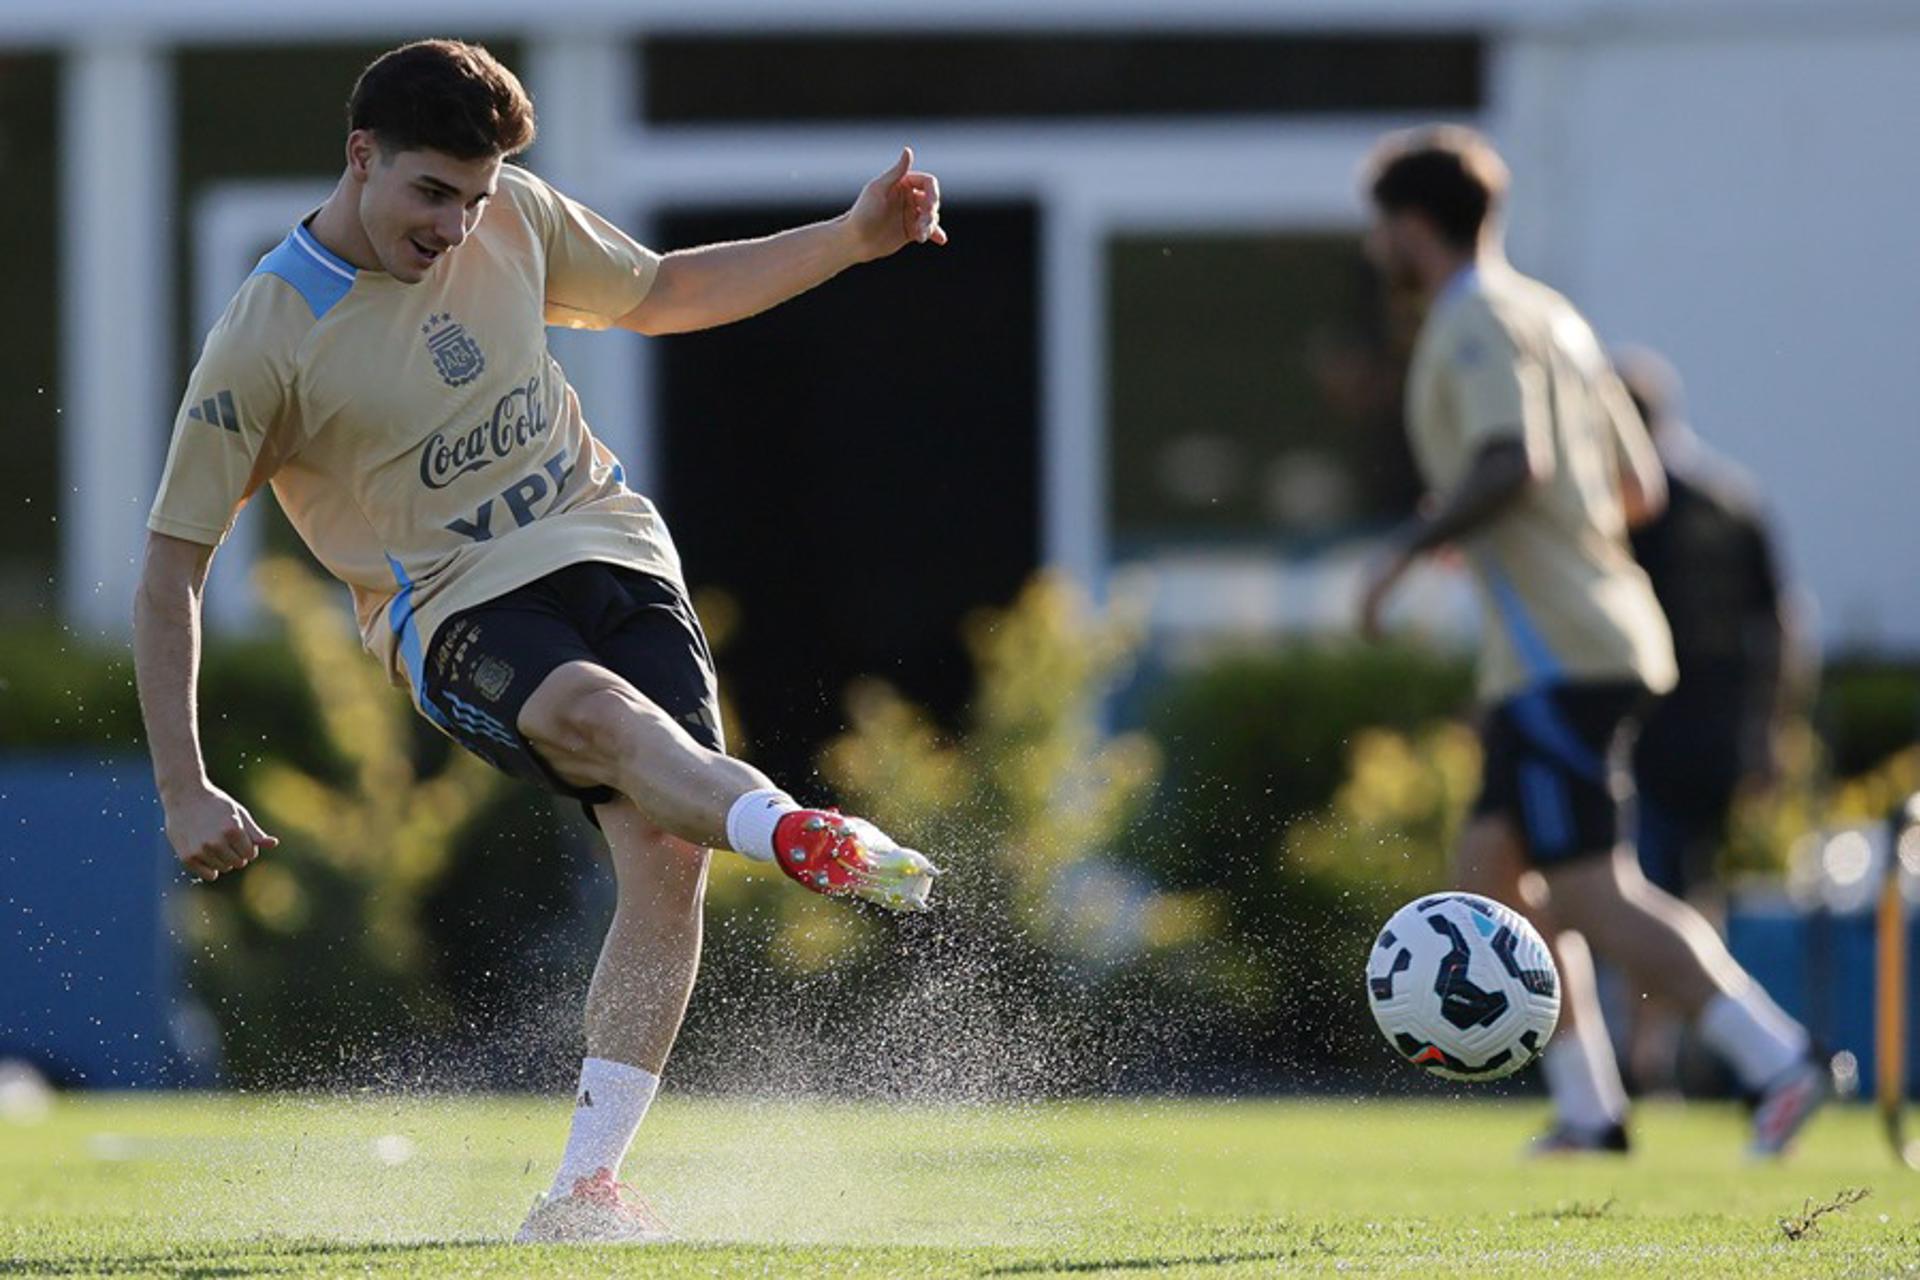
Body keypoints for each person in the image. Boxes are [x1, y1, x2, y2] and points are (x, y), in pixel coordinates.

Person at [132, 39, 942, 1244]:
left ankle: (584, 1189)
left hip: (609, 546)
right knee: (606, 721)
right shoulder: (266, 334)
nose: (456, 225)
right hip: (454, 606)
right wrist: (184, 784)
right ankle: (790, 826)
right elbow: (171, 566)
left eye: (475, 195)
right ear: (361, 156)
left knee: (669, 857)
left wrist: (849, 237)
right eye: (430, 192)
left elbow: (662, 291)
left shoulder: (511, 211)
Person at [1353, 125, 1827, 1156]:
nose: (1372, 245)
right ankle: (1589, 1107)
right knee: (1488, 872)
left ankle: (1778, 1058)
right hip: (1573, 639)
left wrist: (1408, 546)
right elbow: (1636, 487)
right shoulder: (1553, 314)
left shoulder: (1469, 317)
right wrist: (1515, 529)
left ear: (1413, 224)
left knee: (1588, 891)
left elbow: (1510, 460)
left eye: (1378, 224)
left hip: (1562, 649)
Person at [1613, 346, 1799, 1093]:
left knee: (1641, 897)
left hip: (1649, 729)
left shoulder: (1636, 506)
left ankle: (1657, 1058)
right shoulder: (1735, 498)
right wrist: (1770, 729)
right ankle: (1699, 1051)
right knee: (1692, 893)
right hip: (1721, 733)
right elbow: (1782, 625)